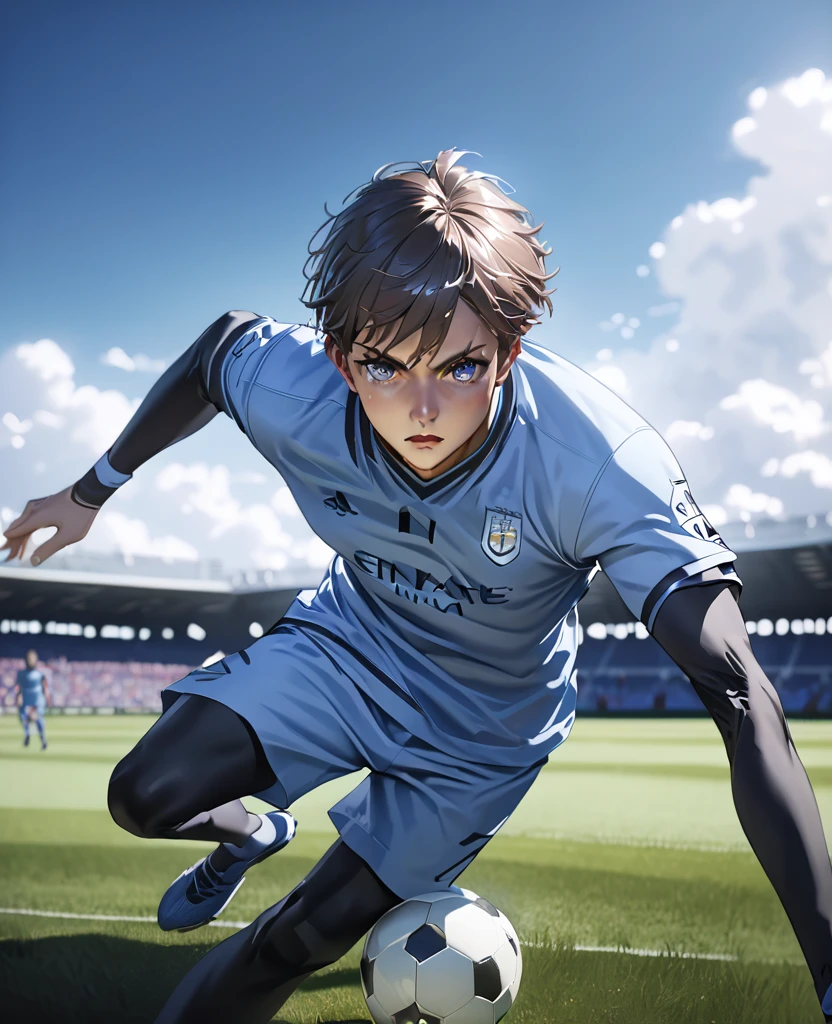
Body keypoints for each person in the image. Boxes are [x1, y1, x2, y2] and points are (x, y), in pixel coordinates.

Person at [3, 149, 831, 1024]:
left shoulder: (598, 464)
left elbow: (742, 695)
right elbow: (219, 350)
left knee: (292, 942)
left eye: (461, 367)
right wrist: (90, 489)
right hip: (348, 648)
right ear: (339, 359)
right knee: (142, 795)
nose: (423, 410)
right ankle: (249, 829)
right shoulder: (299, 389)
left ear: (509, 351)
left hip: (480, 736)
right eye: (387, 367)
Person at [15, 648, 50, 750]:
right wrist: (18, 696)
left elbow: (45, 688)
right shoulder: (21, 674)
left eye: (33, 658)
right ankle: (27, 735)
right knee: (23, 718)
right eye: (29, 658)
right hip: (26, 700)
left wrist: (46, 699)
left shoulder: (40, 674)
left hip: (37, 701)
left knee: (38, 720)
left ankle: (43, 740)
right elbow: (18, 687)